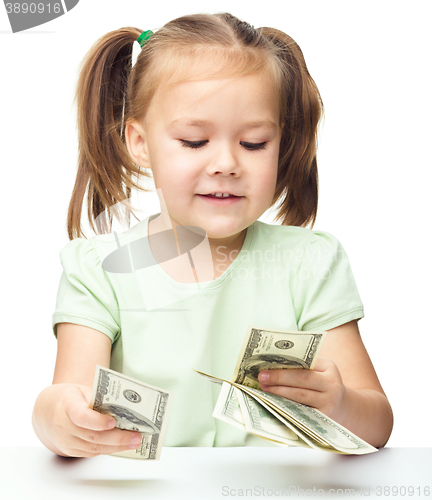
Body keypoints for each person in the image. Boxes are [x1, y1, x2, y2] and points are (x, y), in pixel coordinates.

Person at [32, 12, 393, 458]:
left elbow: (377, 424)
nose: (225, 163)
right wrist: (56, 418)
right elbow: (67, 396)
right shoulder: (99, 269)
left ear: (280, 143)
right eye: (194, 141)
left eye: (254, 143)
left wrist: (340, 405)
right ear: (140, 142)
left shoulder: (310, 264)